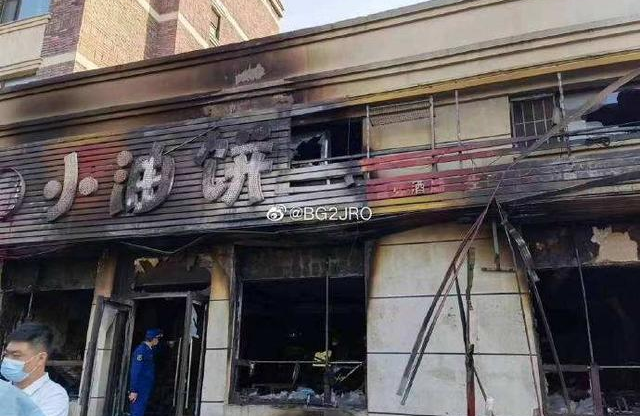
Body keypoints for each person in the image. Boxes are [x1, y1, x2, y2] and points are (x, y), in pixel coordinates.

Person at [1, 323, 69, 416]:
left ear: (41, 358)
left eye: (16, 355)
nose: (8, 360)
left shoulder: (54, 396)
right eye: (6, 354)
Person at [129, 329, 163, 416]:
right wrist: (134, 390)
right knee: (137, 411)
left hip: (145, 387)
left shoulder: (149, 350)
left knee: (141, 410)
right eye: (157, 338)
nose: (158, 340)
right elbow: (136, 371)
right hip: (140, 388)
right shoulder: (141, 351)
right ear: (152, 338)